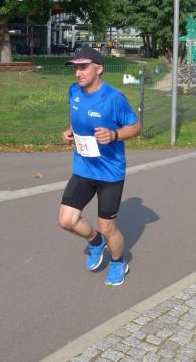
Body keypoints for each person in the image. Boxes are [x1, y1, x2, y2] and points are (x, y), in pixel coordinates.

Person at [58, 46, 141, 286]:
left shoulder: (113, 98)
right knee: (66, 220)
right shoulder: (74, 90)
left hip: (109, 172)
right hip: (83, 167)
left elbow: (136, 127)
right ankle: (96, 242)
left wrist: (114, 135)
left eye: (83, 67)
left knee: (107, 227)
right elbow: (76, 114)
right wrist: (70, 131)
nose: (78, 73)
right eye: (76, 68)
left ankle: (118, 262)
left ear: (99, 69)